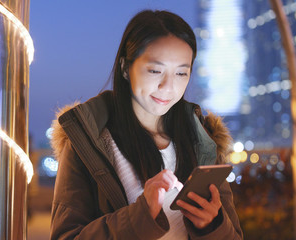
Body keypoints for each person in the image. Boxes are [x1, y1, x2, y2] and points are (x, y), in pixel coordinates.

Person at [49, 10, 243, 239]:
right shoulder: (89, 141)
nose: (168, 86)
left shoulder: (202, 142)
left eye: (181, 73)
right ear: (124, 67)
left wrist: (212, 225)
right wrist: (140, 216)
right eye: (155, 70)